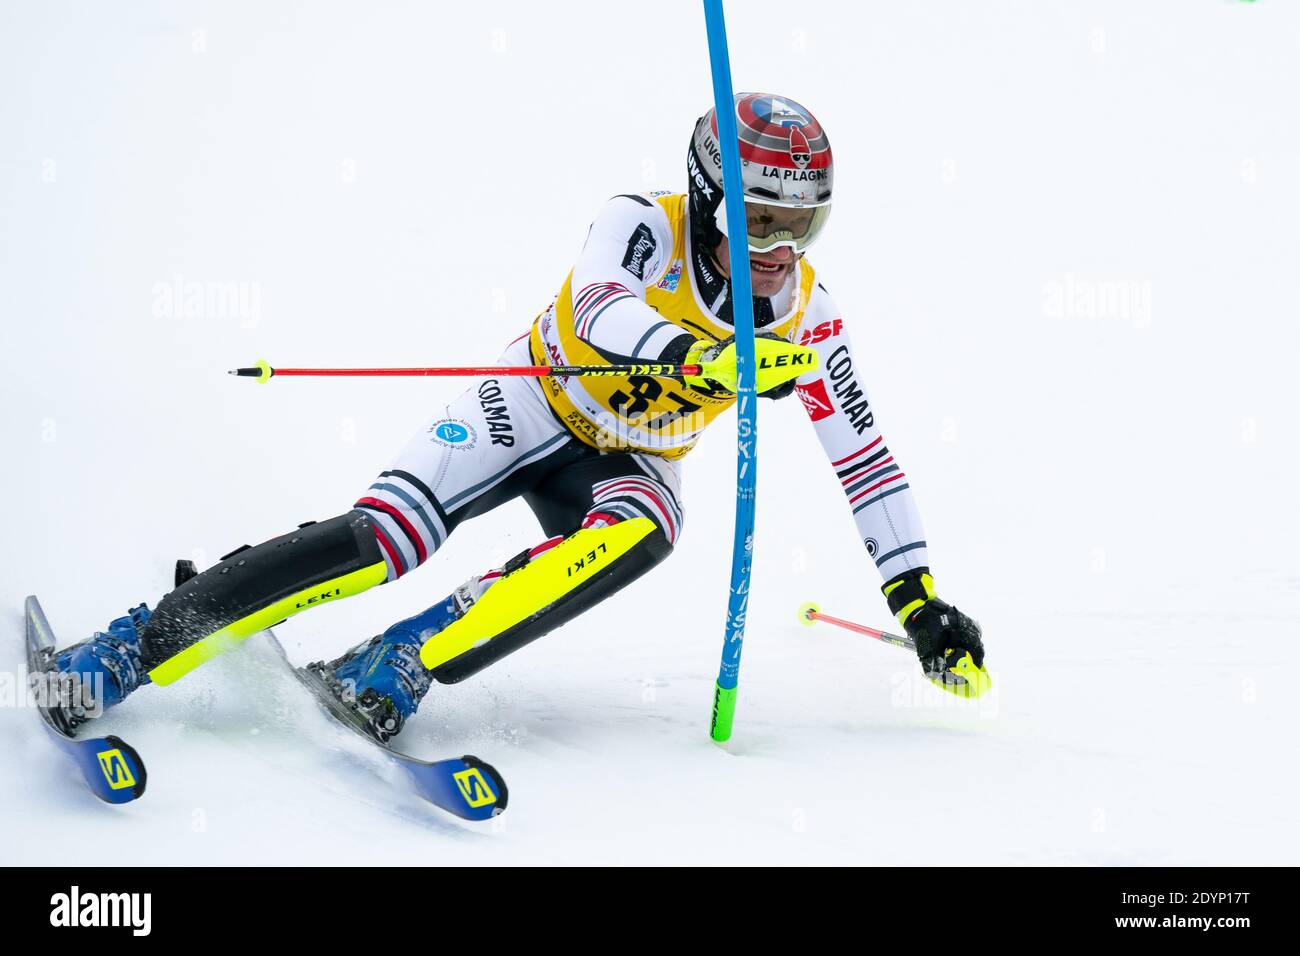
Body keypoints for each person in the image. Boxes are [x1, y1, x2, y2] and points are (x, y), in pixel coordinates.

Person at [52, 93, 989, 742]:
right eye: (760, 222)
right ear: (709, 197)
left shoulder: (811, 316)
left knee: (650, 526)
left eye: (804, 227)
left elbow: (863, 458)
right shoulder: (642, 220)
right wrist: (706, 354)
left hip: (632, 453)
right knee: (390, 538)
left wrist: (918, 602)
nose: (780, 251)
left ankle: (399, 661)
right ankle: (131, 643)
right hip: (532, 402)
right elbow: (599, 309)